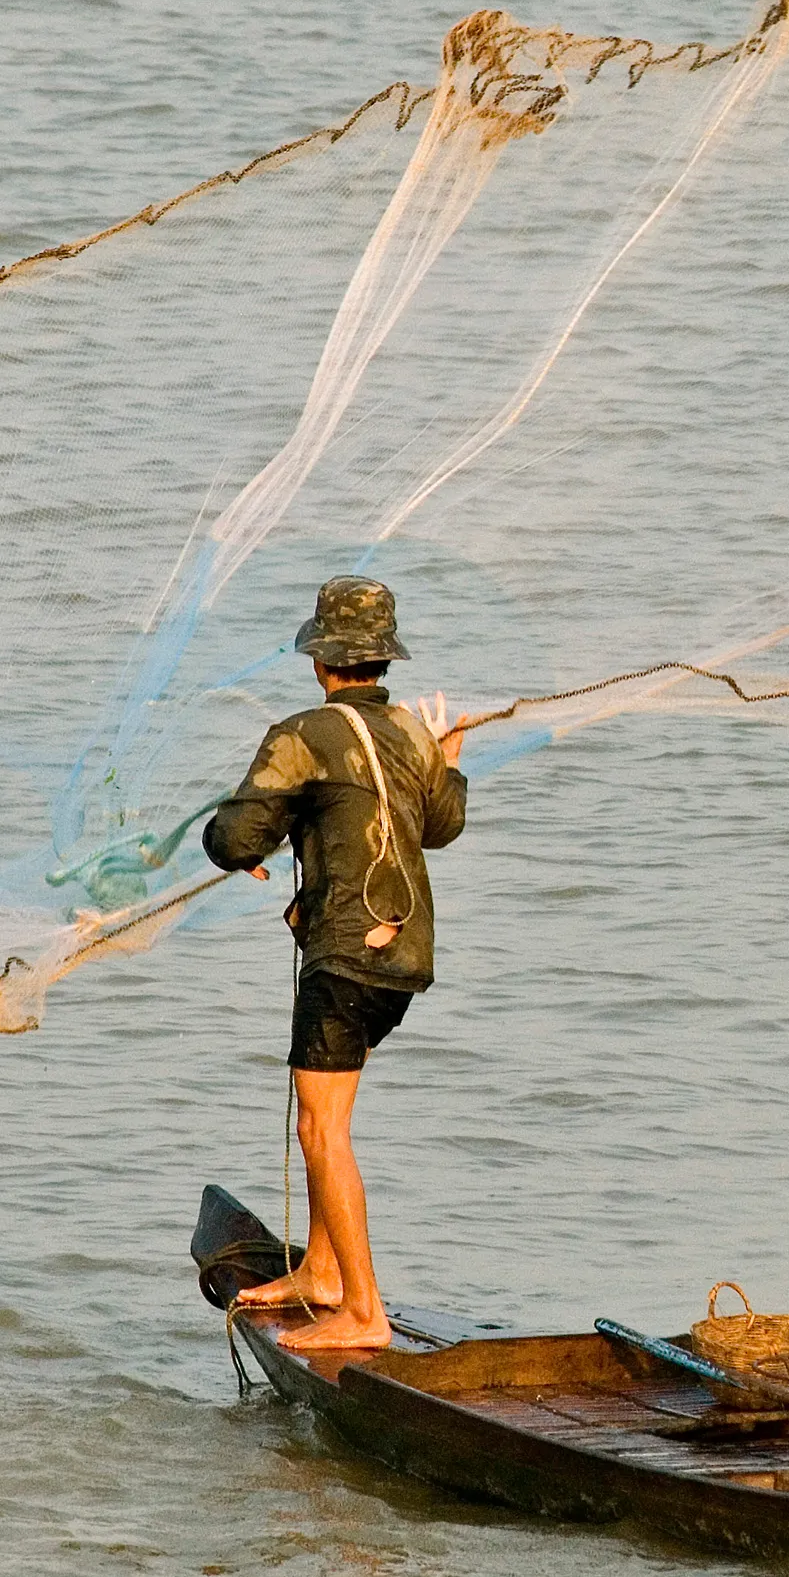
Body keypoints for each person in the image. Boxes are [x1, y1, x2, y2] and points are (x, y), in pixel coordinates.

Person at [203, 575, 467, 1353]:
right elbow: (442, 826)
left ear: (321, 660)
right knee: (332, 1115)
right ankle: (320, 1270)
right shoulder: (416, 737)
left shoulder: (302, 734)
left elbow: (233, 840)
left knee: (322, 1130)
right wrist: (447, 762)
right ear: (382, 661)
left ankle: (363, 1310)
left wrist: (243, 841)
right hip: (405, 955)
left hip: (345, 954)